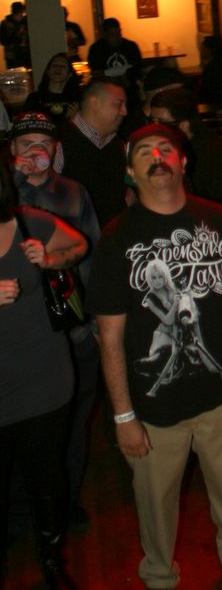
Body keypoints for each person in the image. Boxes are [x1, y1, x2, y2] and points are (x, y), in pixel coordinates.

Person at [86, 123, 222, 590]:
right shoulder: (116, 237)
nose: (157, 157)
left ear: (183, 161)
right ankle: (158, 576)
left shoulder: (220, 220)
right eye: (144, 152)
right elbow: (109, 336)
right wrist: (123, 415)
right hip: (153, 411)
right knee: (154, 502)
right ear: (130, 172)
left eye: (165, 149)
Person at [10, 111, 101, 531]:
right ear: (12, 150)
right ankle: (20, 513)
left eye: (43, 144)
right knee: (19, 426)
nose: (35, 152)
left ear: (56, 150)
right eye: (25, 143)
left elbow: (92, 255)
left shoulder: (73, 193)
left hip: (73, 326)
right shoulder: (4, 194)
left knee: (73, 423)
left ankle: (65, 504)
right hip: (18, 336)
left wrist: (97, 324)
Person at [0, 161, 87, 588]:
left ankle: (52, 563)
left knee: (46, 477)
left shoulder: (28, 221)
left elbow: (80, 246)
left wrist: (51, 259)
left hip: (42, 379)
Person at [150, 86, 222, 226]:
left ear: (184, 125)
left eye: (161, 123)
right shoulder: (163, 153)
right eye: (152, 121)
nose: (154, 129)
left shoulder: (217, 156)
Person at [55, 77, 128, 228]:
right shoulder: (59, 142)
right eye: (118, 104)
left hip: (115, 235)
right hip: (77, 236)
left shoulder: (118, 144)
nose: (124, 112)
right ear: (94, 103)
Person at [24, 52, 81, 123]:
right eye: (54, 65)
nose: (58, 68)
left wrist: (76, 117)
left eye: (63, 66)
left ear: (69, 74)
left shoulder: (76, 100)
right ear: (48, 71)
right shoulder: (34, 99)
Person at [87, 17, 142, 84]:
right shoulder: (96, 49)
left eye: (118, 34)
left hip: (129, 88)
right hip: (107, 88)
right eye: (112, 35)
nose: (117, 38)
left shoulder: (131, 46)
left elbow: (136, 68)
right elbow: (96, 74)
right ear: (104, 35)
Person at [0, 2, 30, 69]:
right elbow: (3, 41)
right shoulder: (26, 21)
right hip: (17, 55)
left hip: (18, 55)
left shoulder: (5, 23)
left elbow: (3, 41)